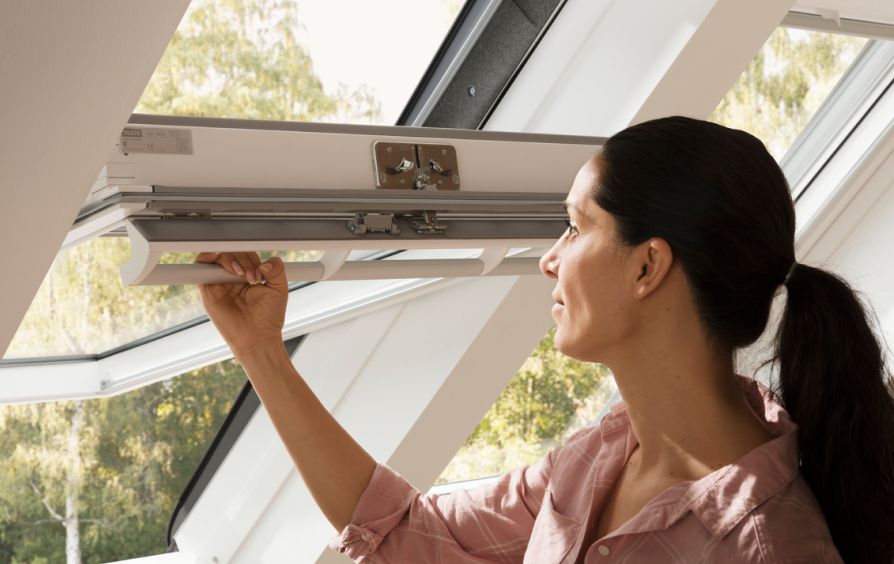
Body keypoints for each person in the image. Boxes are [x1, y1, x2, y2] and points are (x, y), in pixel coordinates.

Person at [196, 116, 894, 563]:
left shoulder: (769, 548)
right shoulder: (596, 461)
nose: (550, 258)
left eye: (575, 226)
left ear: (648, 265)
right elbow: (404, 531)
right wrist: (261, 350)